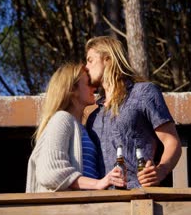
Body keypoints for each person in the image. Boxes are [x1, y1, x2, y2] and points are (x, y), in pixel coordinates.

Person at [84, 36, 182, 189]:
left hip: (138, 198)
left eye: (90, 60)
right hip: (102, 204)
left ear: (108, 59)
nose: (86, 67)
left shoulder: (144, 93)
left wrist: (160, 171)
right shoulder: (93, 117)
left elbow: (172, 141)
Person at [26, 62, 126, 193]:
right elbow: (50, 171)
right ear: (73, 90)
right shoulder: (62, 119)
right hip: (64, 211)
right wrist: (98, 183)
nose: (94, 88)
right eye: (88, 83)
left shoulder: (82, 128)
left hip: (84, 209)